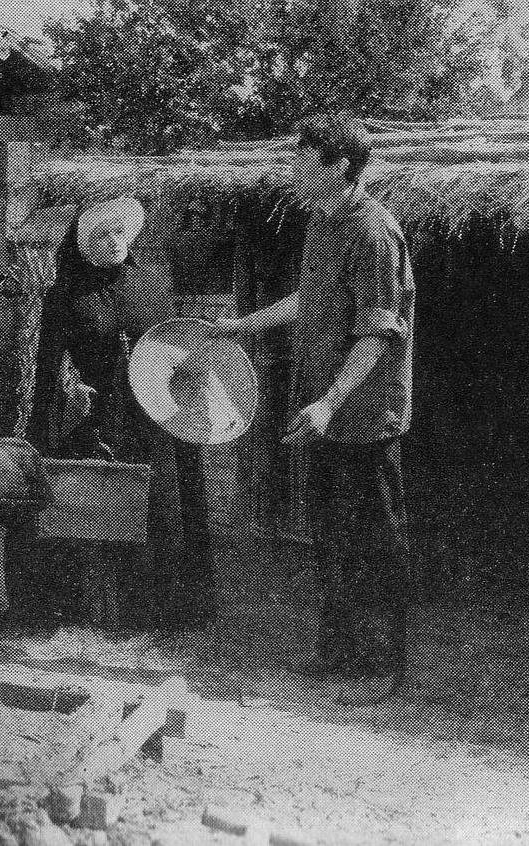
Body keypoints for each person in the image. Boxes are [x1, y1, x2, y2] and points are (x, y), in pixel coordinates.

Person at [212, 113, 416, 688]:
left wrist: (330, 402)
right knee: (330, 534)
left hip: (366, 413)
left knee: (373, 536)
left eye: (305, 163)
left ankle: (384, 663)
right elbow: (310, 299)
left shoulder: (372, 231)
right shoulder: (322, 221)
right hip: (323, 410)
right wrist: (239, 327)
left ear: (340, 167)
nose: (294, 173)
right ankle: (341, 653)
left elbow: (376, 333)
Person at [20, 196, 218, 631]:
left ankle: (174, 611)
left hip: (158, 408)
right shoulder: (65, 295)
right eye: (102, 235)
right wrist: (47, 422)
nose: (114, 242)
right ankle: (116, 614)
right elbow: (48, 369)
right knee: (109, 511)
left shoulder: (149, 280)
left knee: (165, 506)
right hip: (103, 417)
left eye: (120, 233)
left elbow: (176, 343)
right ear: (84, 243)